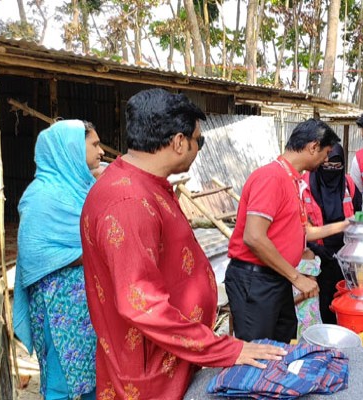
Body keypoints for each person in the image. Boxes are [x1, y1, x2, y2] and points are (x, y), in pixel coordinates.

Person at [80, 89, 286, 399]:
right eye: (198, 141)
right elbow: (142, 305)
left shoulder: (146, 185)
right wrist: (225, 350)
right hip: (150, 373)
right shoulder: (128, 202)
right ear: (178, 142)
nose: (198, 148)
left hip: (170, 356)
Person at [226, 118, 348, 343]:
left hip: (276, 275)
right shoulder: (272, 177)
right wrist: (297, 278)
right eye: (326, 153)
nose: (326, 159)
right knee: (260, 349)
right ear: (313, 147)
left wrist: (346, 224)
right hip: (255, 280)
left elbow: (304, 233)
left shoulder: (292, 180)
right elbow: (254, 237)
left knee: (282, 341)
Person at [14, 119, 104, 400]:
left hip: (88, 304)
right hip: (58, 307)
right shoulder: (42, 196)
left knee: (93, 374)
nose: (101, 151)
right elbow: (35, 252)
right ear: (72, 149)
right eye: (95, 144)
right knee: (60, 378)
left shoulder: (83, 185)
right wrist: (95, 253)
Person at [302, 143, 362, 324]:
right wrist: (317, 249)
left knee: (344, 301)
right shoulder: (303, 186)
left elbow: (359, 214)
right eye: (326, 165)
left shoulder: (348, 184)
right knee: (320, 304)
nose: (331, 170)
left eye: (337, 166)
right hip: (315, 255)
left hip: (346, 256)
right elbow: (297, 226)